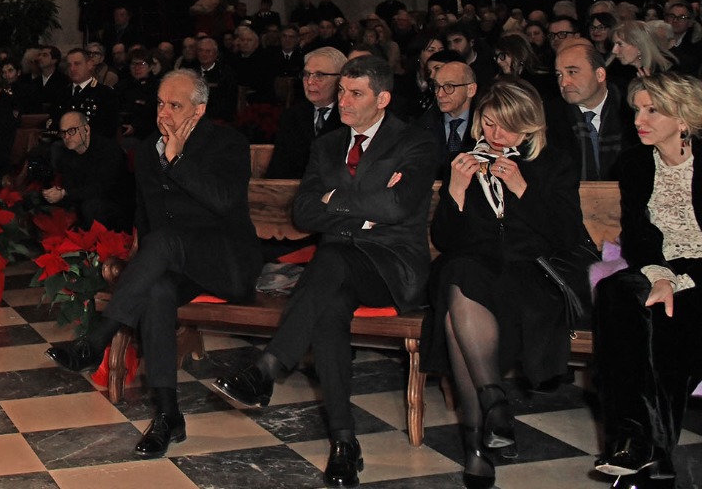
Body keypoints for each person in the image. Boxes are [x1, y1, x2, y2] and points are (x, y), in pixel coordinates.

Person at [210, 56, 439, 487]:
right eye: (341, 93)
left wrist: (337, 200)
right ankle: (344, 442)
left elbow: (398, 207)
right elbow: (305, 213)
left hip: (391, 267)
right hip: (337, 270)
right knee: (328, 305)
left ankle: (268, 368)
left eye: (355, 94)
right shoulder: (327, 144)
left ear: (383, 98)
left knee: (329, 261)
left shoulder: (415, 142)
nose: (343, 102)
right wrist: (363, 207)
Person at [47, 71, 260, 458]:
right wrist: (150, 262)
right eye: (160, 103)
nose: (164, 113)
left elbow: (225, 202)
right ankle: (168, 414)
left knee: (164, 246)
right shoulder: (147, 151)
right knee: (158, 289)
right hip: (176, 264)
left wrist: (177, 160)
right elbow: (147, 218)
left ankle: (97, 339)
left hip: (227, 263)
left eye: (175, 106)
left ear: (199, 110)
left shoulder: (227, 143)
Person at [423, 79, 583, 488]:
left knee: (455, 313)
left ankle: (479, 438)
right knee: (458, 274)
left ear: (530, 127)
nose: (496, 136)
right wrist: (456, 193)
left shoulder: (554, 162)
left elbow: (566, 236)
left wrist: (521, 189)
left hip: (530, 271)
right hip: (475, 268)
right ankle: (492, 402)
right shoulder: (463, 160)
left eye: (508, 128)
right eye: (490, 125)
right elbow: (446, 240)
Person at [592, 72, 702, 486]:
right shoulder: (636, 162)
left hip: (700, 275)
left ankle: (650, 454)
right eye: (638, 108)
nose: (640, 118)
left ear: (683, 117)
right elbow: (638, 237)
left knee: (659, 322)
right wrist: (660, 275)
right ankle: (633, 441)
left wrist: (679, 280)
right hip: (661, 268)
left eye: (653, 110)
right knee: (616, 292)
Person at [550, 38, 627, 181]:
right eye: (559, 74)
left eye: (572, 72)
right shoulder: (550, 117)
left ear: (600, 75)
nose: (564, 82)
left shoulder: (630, 110)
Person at [42, 109, 132, 231]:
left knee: (91, 207)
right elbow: (70, 186)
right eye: (63, 133)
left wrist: (65, 193)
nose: (67, 137)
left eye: (72, 131)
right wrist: (57, 192)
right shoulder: (67, 154)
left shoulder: (109, 150)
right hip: (84, 199)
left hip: (115, 205)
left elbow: (103, 188)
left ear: (86, 129)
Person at [267, 47, 346, 179]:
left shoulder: (350, 117)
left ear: (340, 79)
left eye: (319, 75)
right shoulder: (292, 116)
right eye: (306, 74)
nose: (309, 82)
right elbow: (278, 170)